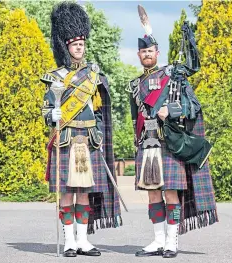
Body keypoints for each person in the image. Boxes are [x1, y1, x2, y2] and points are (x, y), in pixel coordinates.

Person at [128, 19, 218, 258]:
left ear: (157, 53)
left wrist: (172, 109)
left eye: (151, 51)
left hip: (169, 143)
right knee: (153, 193)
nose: (147, 54)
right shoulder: (135, 85)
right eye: (143, 51)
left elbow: (193, 105)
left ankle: (171, 242)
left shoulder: (173, 77)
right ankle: (157, 241)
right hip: (147, 144)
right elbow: (134, 118)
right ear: (138, 54)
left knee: (171, 193)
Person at [40, 2, 121, 257]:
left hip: (87, 139)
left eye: (82, 44)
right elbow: (45, 110)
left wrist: (97, 129)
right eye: (75, 43)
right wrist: (51, 114)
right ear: (66, 45)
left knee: (84, 193)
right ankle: (69, 242)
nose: (79, 47)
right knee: (66, 193)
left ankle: (83, 241)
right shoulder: (54, 77)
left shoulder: (93, 75)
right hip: (65, 138)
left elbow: (99, 111)